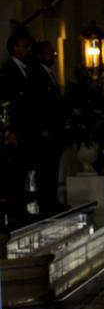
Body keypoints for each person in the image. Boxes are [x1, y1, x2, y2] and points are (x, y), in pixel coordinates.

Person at [0, 28, 37, 223]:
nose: (27, 50)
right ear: (14, 48)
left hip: (25, 128)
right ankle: (15, 210)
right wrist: (10, 131)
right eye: (23, 46)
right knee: (14, 171)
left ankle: (20, 208)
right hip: (15, 129)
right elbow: (7, 102)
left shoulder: (25, 69)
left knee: (21, 169)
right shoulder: (8, 70)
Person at [31, 41, 68, 213]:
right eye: (48, 53)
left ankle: (52, 200)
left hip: (55, 129)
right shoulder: (38, 75)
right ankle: (46, 202)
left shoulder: (49, 74)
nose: (52, 56)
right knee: (45, 167)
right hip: (46, 131)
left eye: (53, 54)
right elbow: (38, 104)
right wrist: (43, 127)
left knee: (52, 166)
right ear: (39, 56)